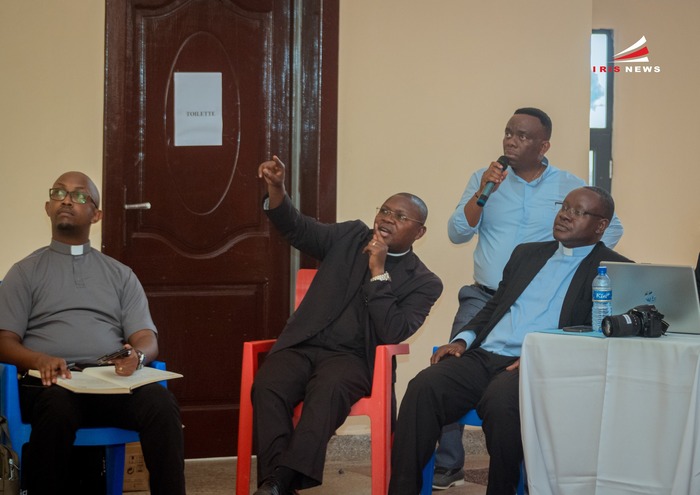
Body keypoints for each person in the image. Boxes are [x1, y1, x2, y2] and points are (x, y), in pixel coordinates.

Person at [388, 186, 632, 495]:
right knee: (424, 386)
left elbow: (598, 335)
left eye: (578, 212)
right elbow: (494, 306)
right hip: (485, 355)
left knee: (501, 401)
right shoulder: (527, 254)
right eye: (564, 207)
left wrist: (540, 355)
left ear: (601, 225)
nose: (565, 216)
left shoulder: (614, 269)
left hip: (536, 364)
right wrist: (463, 339)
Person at [433, 107, 624, 490]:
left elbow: (611, 228)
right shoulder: (484, 178)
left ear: (544, 145)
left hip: (541, 308)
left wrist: (567, 264)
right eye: (508, 132)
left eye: (522, 135)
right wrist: (483, 192)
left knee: (506, 392)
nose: (511, 141)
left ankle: (521, 466)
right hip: (484, 298)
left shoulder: (567, 185)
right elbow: (457, 232)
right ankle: (449, 463)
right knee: (449, 366)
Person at [252, 156, 443, 495]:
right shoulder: (351, 235)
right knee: (268, 384)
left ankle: (278, 482)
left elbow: (393, 331)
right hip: (304, 344)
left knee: (327, 392)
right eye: (385, 210)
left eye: (401, 217)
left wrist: (378, 271)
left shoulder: (424, 282)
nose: (388, 219)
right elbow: (298, 228)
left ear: (420, 232)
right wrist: (277, 188)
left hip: (353, 359)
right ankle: (278, 483)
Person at [0, 171, 185, 495]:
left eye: (80, 195)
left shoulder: (120, 275)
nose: (67, 200)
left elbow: (146, 337)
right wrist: (39, 359)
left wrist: (138, 356)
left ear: (96, 215)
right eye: (59, 193)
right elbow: (4, 342)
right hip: (51, 386)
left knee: (161, 404)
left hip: (109, 383)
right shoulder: (24, 272)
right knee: (57, 408)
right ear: (48, 207)